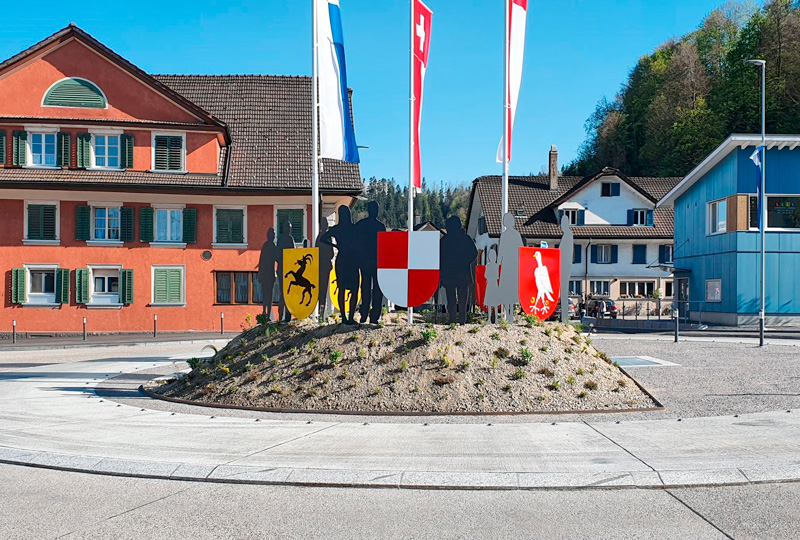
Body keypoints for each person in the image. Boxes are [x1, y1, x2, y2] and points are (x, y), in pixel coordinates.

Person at [318, 206, 360, 325]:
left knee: (342, 289)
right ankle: (350, 317)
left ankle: (344, 317)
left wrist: (336, 246)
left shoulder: (336, 229)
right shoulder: (353, 228)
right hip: (352, 259)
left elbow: (323, 238)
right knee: (354, 290)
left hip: (342, 259)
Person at [439, 216, 478, 325]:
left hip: (451, 273)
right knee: (461, 298)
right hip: (460, 272)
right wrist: (465, 262)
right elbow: (473, 253)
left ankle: (454, 319)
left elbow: (439, 256)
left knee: (452, 298)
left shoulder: (445, 240)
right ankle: (461, 319)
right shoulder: (465, 239)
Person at [355, 201, 386, 324]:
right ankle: (369, 315)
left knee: (369, 289)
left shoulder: (362, 225)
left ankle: (370, 315)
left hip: (370, 262)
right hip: (371, 261)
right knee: (369, 289)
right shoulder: (379, 226)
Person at [497, 212, 523, 322]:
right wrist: (497, 264)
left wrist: (498, 264)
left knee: (510, 289)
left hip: (511, 264)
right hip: (509, 264)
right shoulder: (508, 235)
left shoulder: (513, 235)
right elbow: (501, 251)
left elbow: (520, 250)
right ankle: (509, 313)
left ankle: (510, 313)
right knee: (508, 289)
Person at [276, 221, 296, 322]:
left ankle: (288, 316)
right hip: (282, 269)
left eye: (290, 228)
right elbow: (277, 255)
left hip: (289, 269)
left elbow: (294, 253)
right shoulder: (281, 240)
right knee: (283, 292)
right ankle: (281, 315)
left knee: (288, 292)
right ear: (284, 229)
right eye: (287, 228)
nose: (288, 230)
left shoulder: (290, 239)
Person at [315, 216, 334, 319]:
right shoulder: (327, 237)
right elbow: (331, 253)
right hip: (325, 266)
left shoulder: (319, 237)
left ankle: (321, 311)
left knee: (321, 289)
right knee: (324, 288)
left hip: (320, 266)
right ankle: (322, 312)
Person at [256, 228, 278, 321]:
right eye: (272, 234)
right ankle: (266, 313)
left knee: (268, 295)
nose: (273, 236)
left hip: (268, 274)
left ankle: (267, 313)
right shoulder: (270, 246)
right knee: (267, 295)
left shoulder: (269, 246)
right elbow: (262, 261)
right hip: (268, 274)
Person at [483, 248, 501, 325]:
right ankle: (495, 319)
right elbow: (497, 276)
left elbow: (486, 275)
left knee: (491, 303)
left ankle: (490, 319)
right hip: (493, 284)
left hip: (490, 284)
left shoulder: (488, 266)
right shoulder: (495, 266)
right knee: (494, 303)